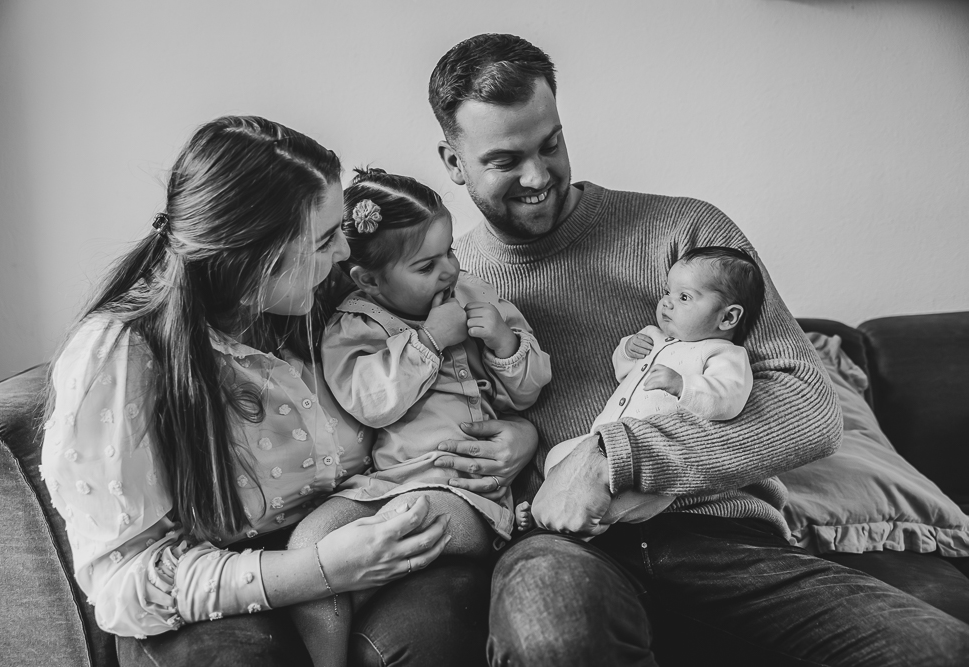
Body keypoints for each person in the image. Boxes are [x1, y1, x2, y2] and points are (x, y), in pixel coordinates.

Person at [428, 33, 969, 666]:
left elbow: (809, 407)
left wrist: (618, 456)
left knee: (941, 650)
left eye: (551, 144)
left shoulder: (686, 234)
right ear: (452, 160)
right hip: (564, 546)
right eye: (505, 159)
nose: (538, 176)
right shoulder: (441, 279)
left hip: (726, 536)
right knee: (555, 635)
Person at [39, 116, 536, 667]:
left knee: (434, 630)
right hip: (224, 583)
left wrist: (522, 433)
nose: (346, 253)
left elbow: (453, 377)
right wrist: (322, 569)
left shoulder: (325, 303)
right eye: (324, 239)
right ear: (250, 255)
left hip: (358, 522)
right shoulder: (122, 355)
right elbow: (124, 587)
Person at [285, 167, 551, 667]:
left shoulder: (475, 296)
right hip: (383, 483)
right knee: (311, 543)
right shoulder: (353, 325)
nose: (449, 270)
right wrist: (428, 341)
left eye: (450, 251)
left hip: (467, 493)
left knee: (399, 525)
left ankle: (350, 598)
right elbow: (370, 401)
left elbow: (529, 391)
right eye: (427, 266)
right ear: (369, 279)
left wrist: (503, 342)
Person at [516, 245, 761, 532]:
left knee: (628, 498)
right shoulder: (653, 337)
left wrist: (683, 385)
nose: (667, 303)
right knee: (559, 456)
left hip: (651, 465)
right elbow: (624, 374)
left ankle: (587, 527)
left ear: (728, 318)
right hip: (599, 443)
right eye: (667, 293)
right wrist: (628, 351)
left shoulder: (722, 354)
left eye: (684, 297)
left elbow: (727, 398)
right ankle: (545, 511)